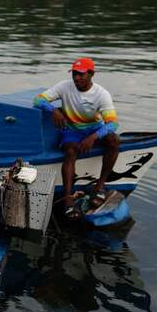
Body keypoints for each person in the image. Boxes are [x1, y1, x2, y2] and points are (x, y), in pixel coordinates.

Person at [34, 58, 120, 217]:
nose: (76, 78)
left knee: (114, 140)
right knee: (71, 151)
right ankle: (67, 197)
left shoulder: (102, 94)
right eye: (74, 73)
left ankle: (99, 186)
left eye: (81, 74)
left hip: (94, 128)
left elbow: (113, 124)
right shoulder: (64, 86)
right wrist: (54, 110)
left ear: (91, 74)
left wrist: (93, 137)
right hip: (72, 130)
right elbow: (38, 100)